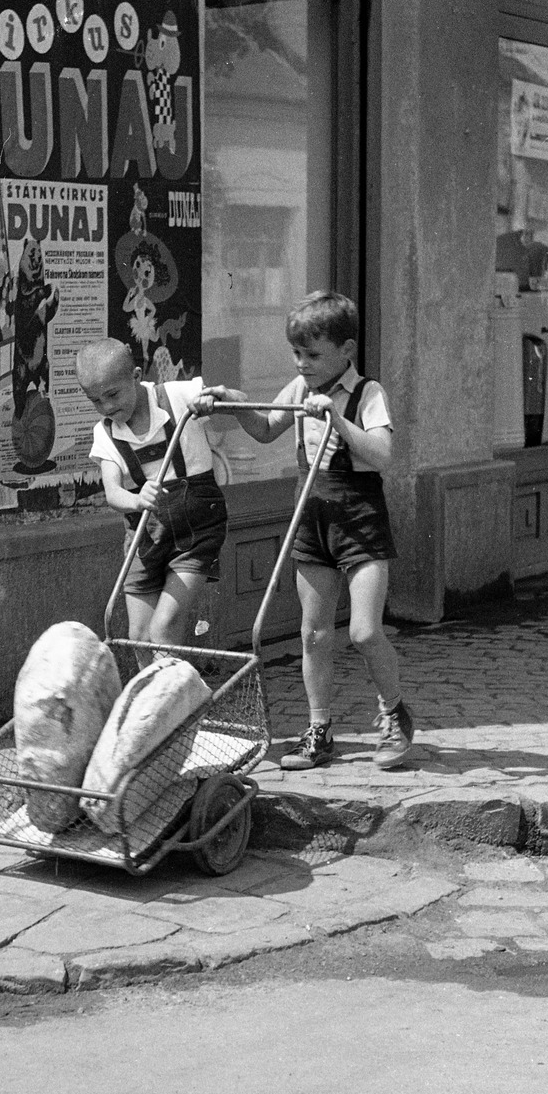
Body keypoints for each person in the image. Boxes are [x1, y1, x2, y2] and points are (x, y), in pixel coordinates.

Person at [195, 291, 414, 770]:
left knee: (363, 630)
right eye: (296, 354)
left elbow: (381, 456)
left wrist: (335, 418)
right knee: (313, 635)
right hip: (311, 518)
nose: (301, 364)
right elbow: (267, 428)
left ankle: (395, 712)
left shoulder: (368, 394)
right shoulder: (297, 390)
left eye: (312, 355)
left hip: (359, 520)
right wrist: (231, 403)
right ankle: (318, 731)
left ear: (347, 349)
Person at [77, 339, 229, 648]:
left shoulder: (178, 396)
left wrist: (220, 398)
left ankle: (174, 693)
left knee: (165, 627)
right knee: (140, 637)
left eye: (113, 395)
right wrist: (136, 499)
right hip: (145, 539)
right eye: (95, 401)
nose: (106, 407)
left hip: (197, 530)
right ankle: (155, 692)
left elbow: (237, 405)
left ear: (135, 376)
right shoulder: (104, 433)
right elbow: (112, 492)